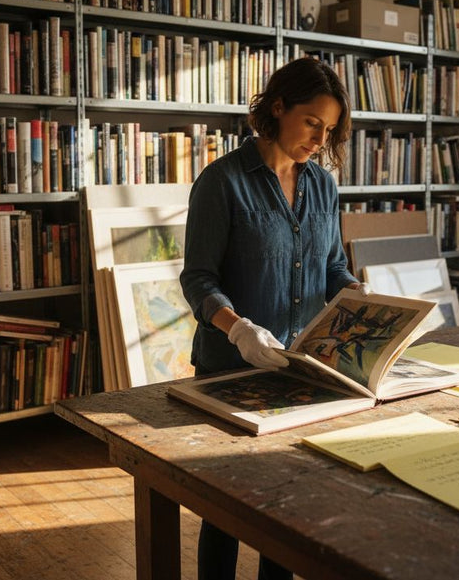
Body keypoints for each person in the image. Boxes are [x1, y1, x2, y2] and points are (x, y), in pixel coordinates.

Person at [180, 57, 364, 580]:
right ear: (278, 107)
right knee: (226, 509)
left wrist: (354, 292)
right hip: (231, 371)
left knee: (285, 506)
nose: (318, 138)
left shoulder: (324, 188)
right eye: (312, 122)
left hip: (302, 369)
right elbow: (198, 280)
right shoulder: (221, 183)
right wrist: (237, 327)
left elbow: (331, 266)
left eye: (328, 130)